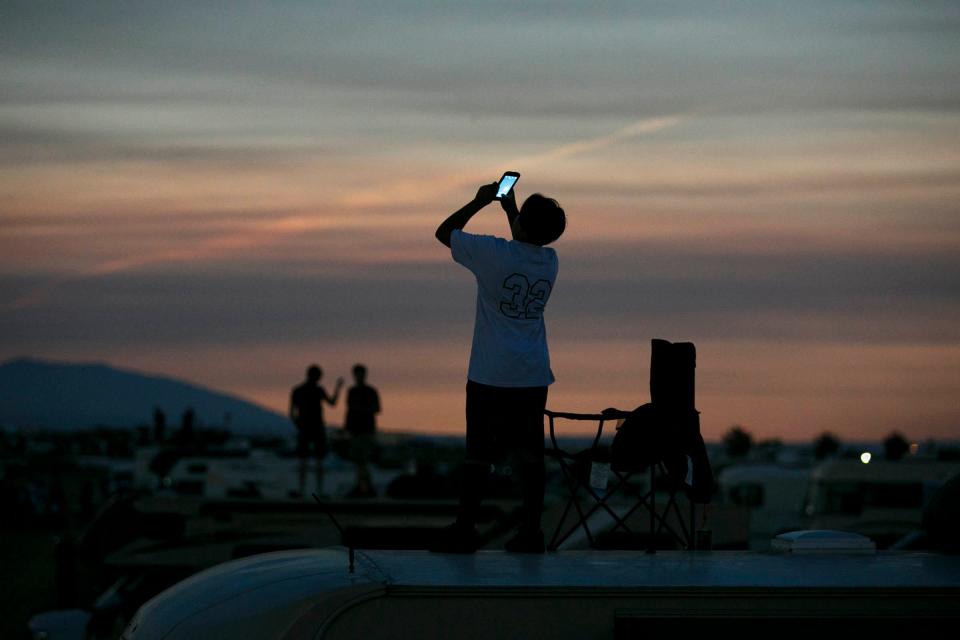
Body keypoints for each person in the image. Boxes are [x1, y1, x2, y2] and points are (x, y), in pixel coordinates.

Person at [431, 179, 566, 553]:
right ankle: (531, 532)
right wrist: (511, 208)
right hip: (532, 373)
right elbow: (523, 244)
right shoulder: (548, 261)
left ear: (525, 225)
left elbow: (445, 233)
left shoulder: (492, 253)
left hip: (490, 372)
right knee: (530, 456)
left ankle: (465, 529)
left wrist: (479, 202)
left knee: (478, 454)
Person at [289, 364, 343, 497]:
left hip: (308, 428)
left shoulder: (299, 390)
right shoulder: (315, 390)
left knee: (305, 461)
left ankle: (304, 490)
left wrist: (298, 424)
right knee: (315, 461)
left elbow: (292, 412)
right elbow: (332, 403)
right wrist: (338, 388)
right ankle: (317, 490)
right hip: (315, 428)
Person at [344, 364, 381, 498]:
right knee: (358, 461)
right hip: (355, 430)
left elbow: (377, 409)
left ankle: (365, 487)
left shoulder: (370, 391)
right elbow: (349, 410)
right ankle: (362, 486)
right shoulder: (352, 391)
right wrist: (347, 428)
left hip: (366, 430)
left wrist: (361, 409)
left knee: (363, 461)